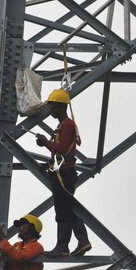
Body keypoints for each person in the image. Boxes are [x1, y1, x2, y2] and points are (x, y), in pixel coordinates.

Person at [36, 89, 92, 257]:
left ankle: (63, 246)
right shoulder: (62, 125)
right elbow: (59, 153)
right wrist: (47, 163)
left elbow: (64, 150)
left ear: (60, 107)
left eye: (53, 108)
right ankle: (81, 242)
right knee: (66, 209)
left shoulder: (67, 125)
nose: (51, 111)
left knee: (63, 211)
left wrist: (46, 142)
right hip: (61, 171)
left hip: (64, 173)